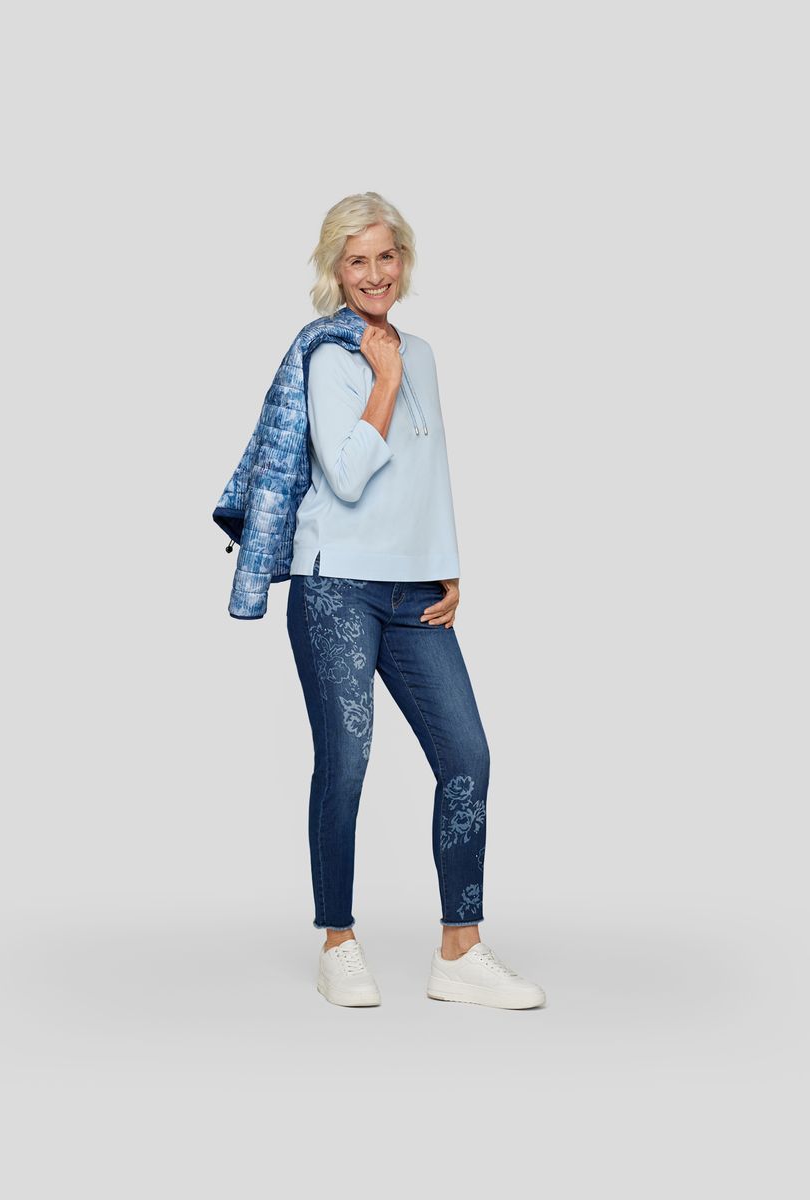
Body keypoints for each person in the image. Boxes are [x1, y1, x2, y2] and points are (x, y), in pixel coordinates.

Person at [287, 192, 546, 1010]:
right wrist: (384, 377)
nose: (374, 273)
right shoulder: (327, 354)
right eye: (356, 260)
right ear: (335, 270)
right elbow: (346, 476)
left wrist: (445, 563)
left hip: (413, 589)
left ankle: (458, 950)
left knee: (466, 756)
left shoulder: (423, 351)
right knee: (347, 759)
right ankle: (337, 941)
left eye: (385, 256)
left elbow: (428, 470)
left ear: (402, 260)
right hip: (336, 585)